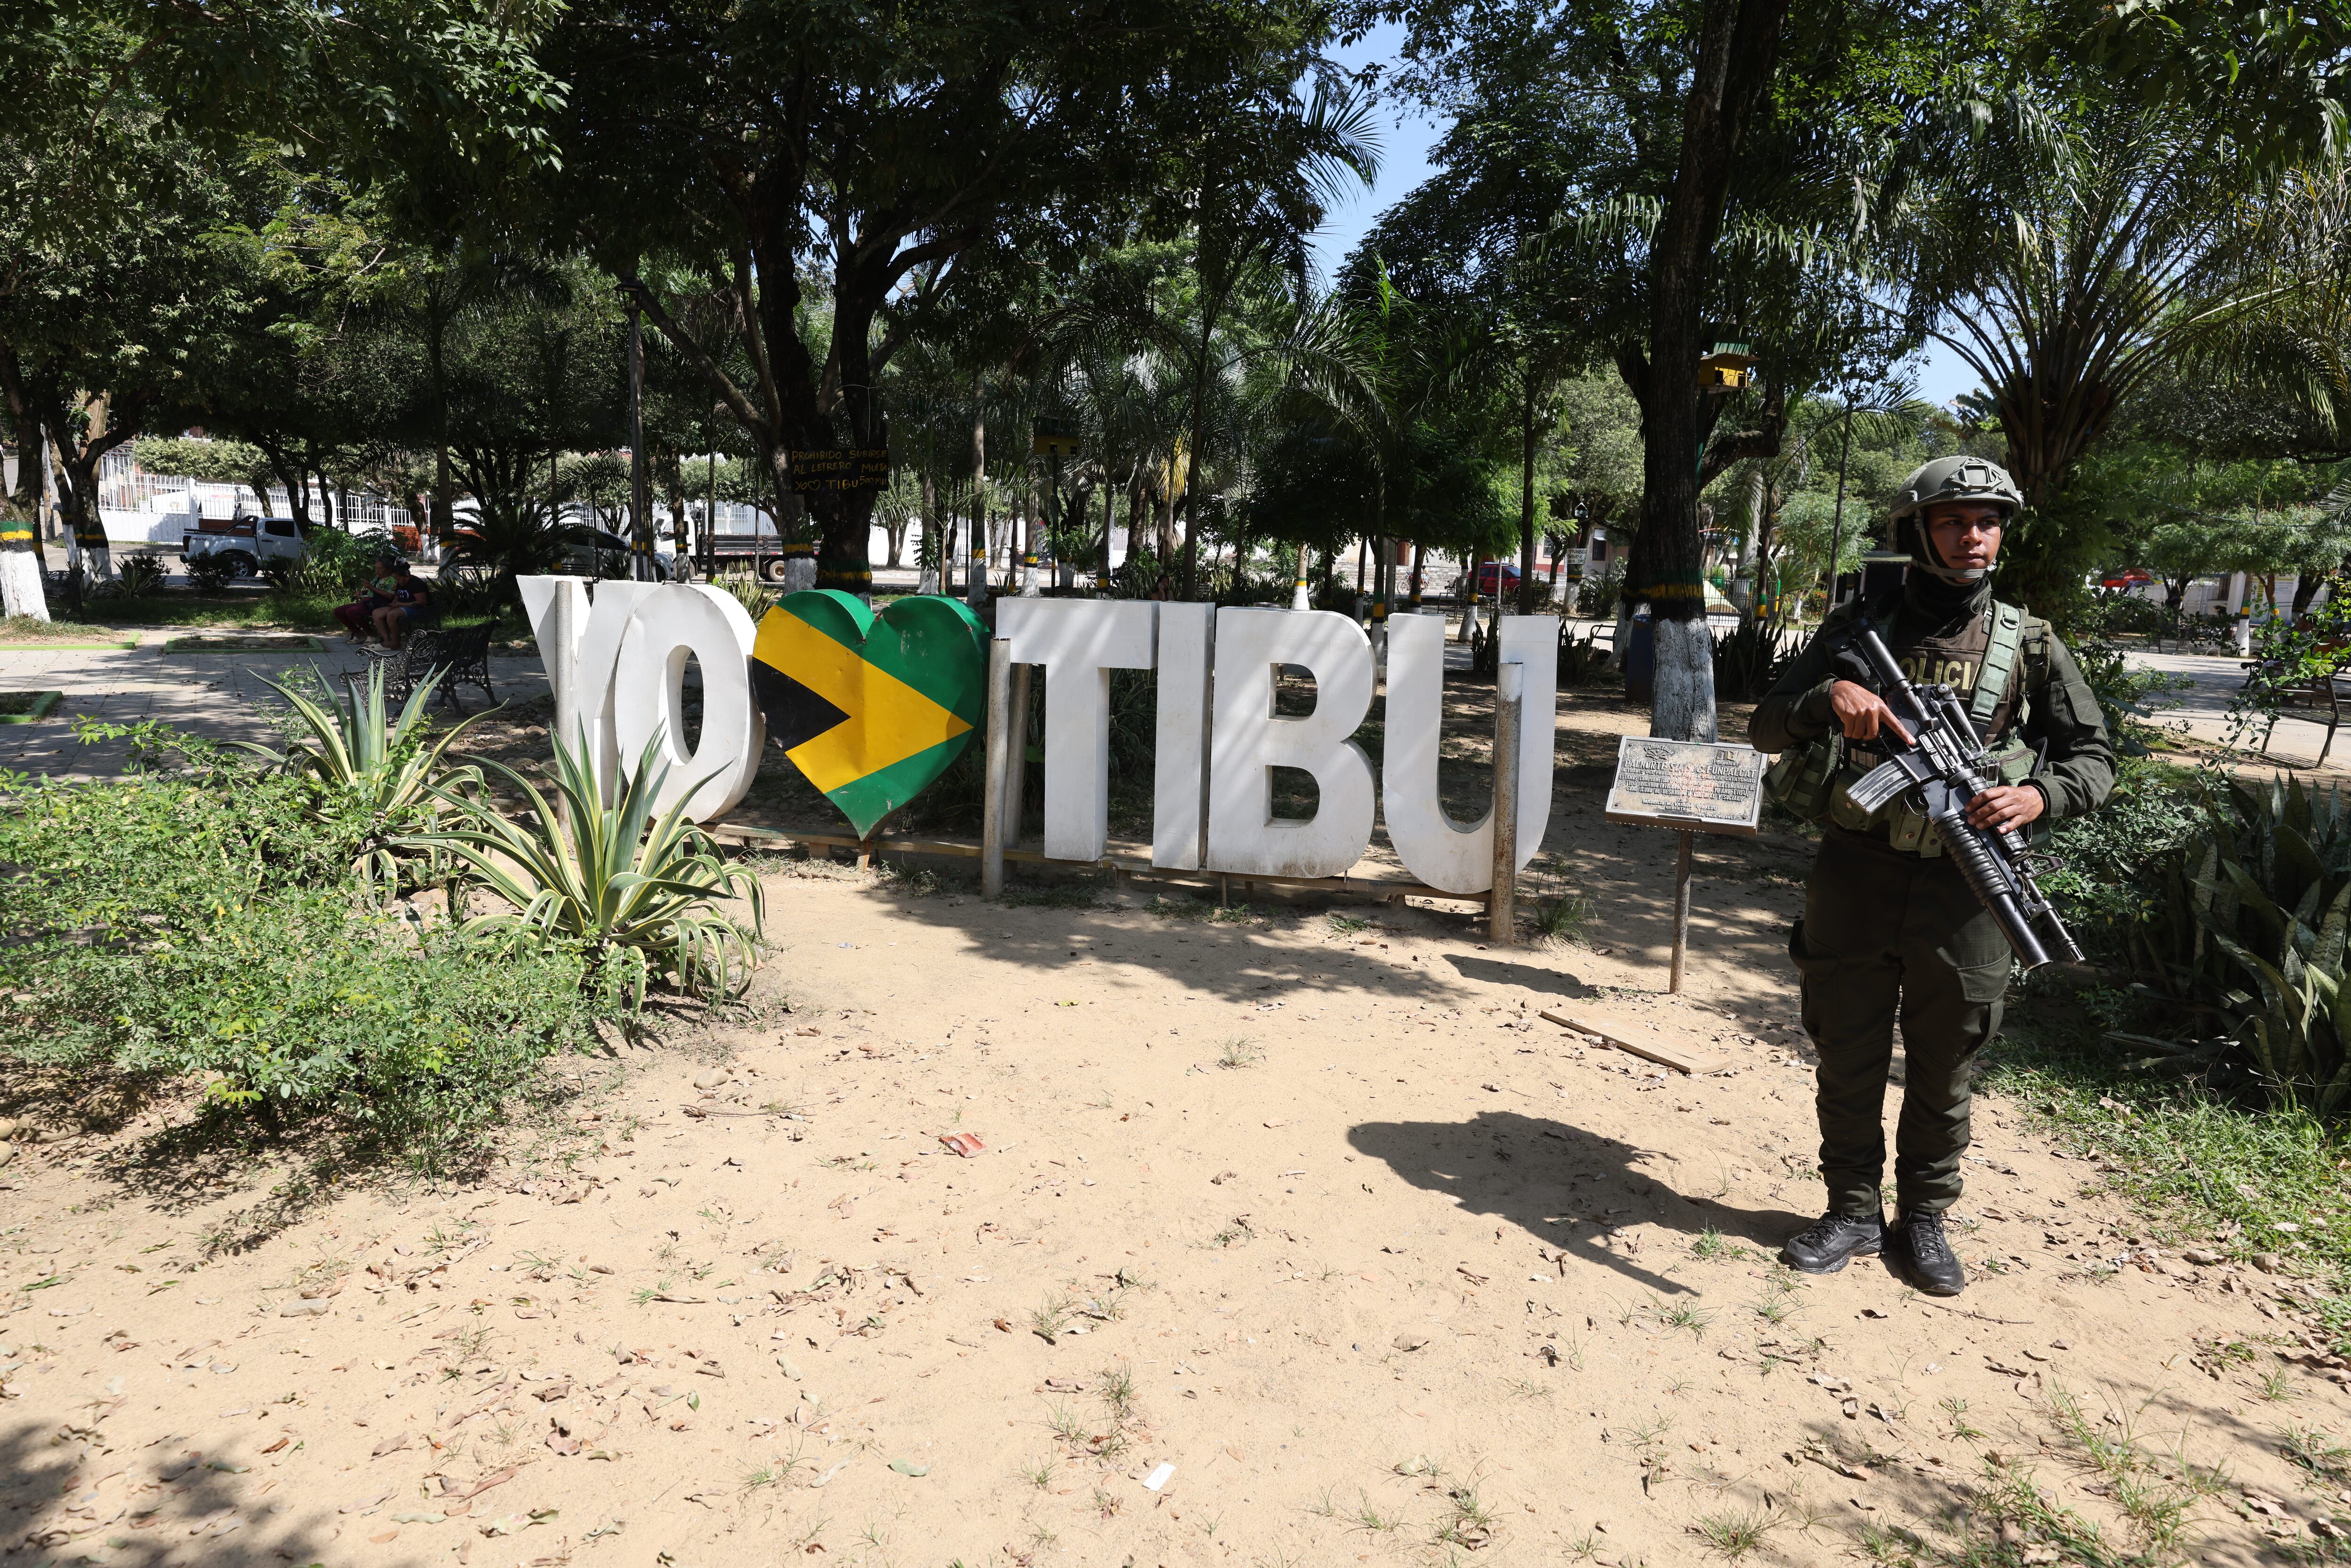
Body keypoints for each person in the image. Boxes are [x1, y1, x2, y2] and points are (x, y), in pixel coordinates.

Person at [1747, 456, 2115, 1296]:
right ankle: (1848, 1210)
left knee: (1948, 1060)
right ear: (1918, 530)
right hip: (1858, 873)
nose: (1973, 535)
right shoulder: (1854, 629)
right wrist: (1826, 699)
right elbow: (1768, 725)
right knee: (1847, 1050)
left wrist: (2037, 795)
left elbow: (2095, 758)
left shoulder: (2031, 641)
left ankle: (1924, 1219)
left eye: (1988, 521)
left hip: (1968, 888)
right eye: (1954, 520)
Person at [334, 553, 401, 643]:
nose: (377, 571)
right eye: (376, 568)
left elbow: (391, 596)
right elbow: (372, 588)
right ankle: (359, 635)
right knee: (338, 611)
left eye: (380, 568)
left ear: (388, 569)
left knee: (351, 612)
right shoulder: (378, 578)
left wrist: (372, 589)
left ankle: (372, 634)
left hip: (379, 605)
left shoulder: (392, 579)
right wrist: (363, 591)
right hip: (367, 602)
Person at [371, 559, 434, 649]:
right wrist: (395, 602)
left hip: (417, 609)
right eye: (396, 580)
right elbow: (398, 595)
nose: (398, 582)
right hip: (401, 606)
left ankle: (396, 642)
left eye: (399, 579)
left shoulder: (416, 583)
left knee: (392, 615)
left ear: (407, 576)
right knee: (376, 613)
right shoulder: (401, 582)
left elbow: (421, 602)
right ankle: (387, 640)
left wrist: (401, 605)